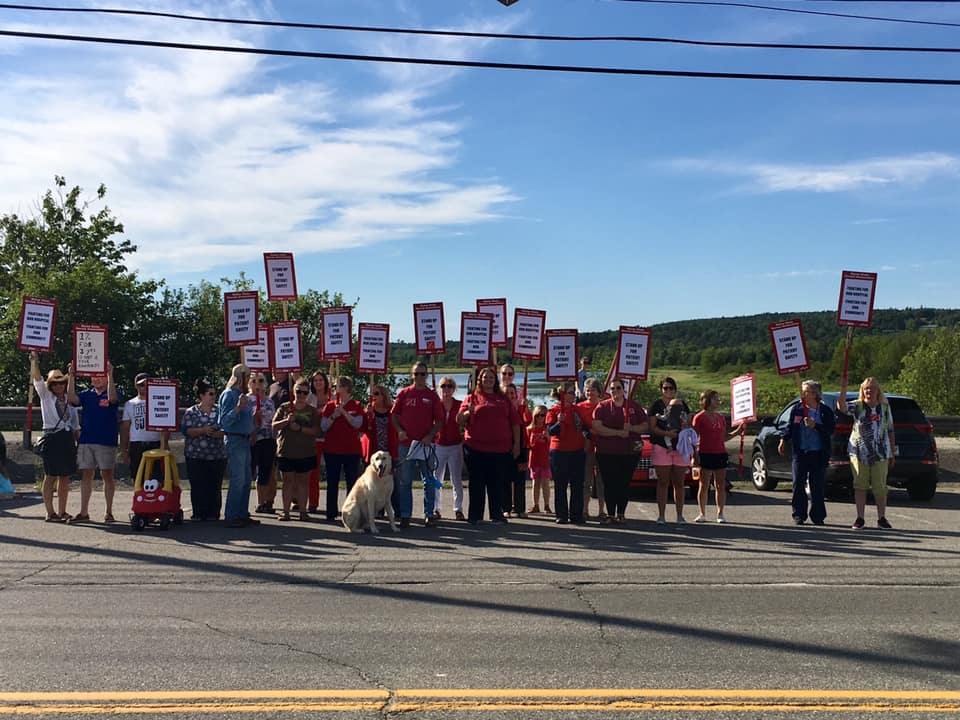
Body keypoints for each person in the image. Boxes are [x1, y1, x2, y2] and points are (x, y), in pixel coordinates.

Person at [458, 366, 522, 525]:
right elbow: (459, 420)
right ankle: (475, 515)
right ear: (479, 380)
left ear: (496, 380)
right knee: (476, 484)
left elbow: (515, 423)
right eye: (485, 377)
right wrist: (468, 412)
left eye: (491, 378)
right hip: (476, 448)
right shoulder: (472, 397)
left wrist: (517, 445)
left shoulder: (503, 399)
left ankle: (496, 514)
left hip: (500, 449)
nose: (488, 380)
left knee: (497, 484)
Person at [837, 377, 896, 530]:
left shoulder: (885, 407)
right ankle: (860, 518)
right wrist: (843, 389)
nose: (869, 391)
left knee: (880, 487)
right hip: (859, 452)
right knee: (860, 485)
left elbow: (890, 429)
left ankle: (882, 518)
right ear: (862, 391)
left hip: (880, 452)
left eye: (872, 388)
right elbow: (841, 407)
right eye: (866, 388)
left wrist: (892, 452)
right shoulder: (858, 406)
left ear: (878, 390)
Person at [392, 362, 444, 528]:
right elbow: (394, 415)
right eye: (416, 374)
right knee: (405, 481)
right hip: (407, 444)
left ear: (427, 375)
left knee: (428, 480)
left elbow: (440, 420)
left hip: (425, 445)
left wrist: (430, 435)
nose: (419, 377)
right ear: (412, 375)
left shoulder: (432, 396)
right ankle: (405, 514)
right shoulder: (404, 394)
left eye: (422, 374)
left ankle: (429, 514)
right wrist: (399, 430)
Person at [66, 361, 119, 524]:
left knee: (107, 475)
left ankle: (109, 511)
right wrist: (71, 376)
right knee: (86, 475)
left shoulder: (112, 391)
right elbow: (71, 399)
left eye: (100, 376)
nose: (96, 379)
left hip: (105, 441)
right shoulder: (87, 394)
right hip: (86, 440)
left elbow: (112, 399)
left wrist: (110, 374)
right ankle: (83, 512)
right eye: (94, 376)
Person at [778, 379, 836, 526]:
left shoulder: (824, 411)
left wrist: (815, 425)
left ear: (815, 394)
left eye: (806, 391)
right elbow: (790, 427)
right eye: (802, 391)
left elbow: (830, 430)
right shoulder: (797, 409)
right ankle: (799, 514)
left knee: (816, 485)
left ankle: (818, 516)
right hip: (800, 452)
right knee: (798, 483)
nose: (803, 394)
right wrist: (783, 439)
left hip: (818, 453)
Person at [30, 351, 79, 522]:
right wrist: (35, 361)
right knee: (50, 475)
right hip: (52, 437)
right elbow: (37, 379)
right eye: (54, 383)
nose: (58, 386)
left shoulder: (69, 399)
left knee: (65, 477)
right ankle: (50, 512)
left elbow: (75, 425)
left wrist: (77, 443)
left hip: (66, 438)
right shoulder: (46, 396)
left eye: (61, 382)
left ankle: (62, 511)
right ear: (50, 385)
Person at [591, 378, 646, 524]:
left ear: (624, 390)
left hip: (629, 453)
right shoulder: (602, 406)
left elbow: (645, 425)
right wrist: (618, 433)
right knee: (610, 483)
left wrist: (632, 429)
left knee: (624, 483)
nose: (615, 391)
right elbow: (597, 427)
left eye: (618, 388)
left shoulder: (634, 406)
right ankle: (610, 514)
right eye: (613, 388)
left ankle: (621, 513)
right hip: (606, 452)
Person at [691, 390, 745, 524]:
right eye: (715, 399)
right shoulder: (699, 417)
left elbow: (723, 437)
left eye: (718, 398)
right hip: (704, 453)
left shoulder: (721, 417)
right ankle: (702, 513)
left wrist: (737, 432)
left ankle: (720, 513)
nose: (718, 401)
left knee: (720, 485)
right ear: (707, 400)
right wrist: (694, 455)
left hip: (720, 453)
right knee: (703, 485)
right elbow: (692, 438)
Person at [273, 378, 321, 521]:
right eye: (298, 391)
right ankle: (286, 511)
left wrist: (300, 428)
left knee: (303, 482)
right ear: (293, 391)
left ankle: (302, 511)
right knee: (287, 482)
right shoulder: (284, 407)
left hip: (306, 452)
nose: (301, 395)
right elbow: (274, 426)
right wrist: (286, 421)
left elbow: (317, 431)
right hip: (286, 451)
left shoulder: (312, 411)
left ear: (308, 394)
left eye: (304, 392)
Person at [218, 363, 258, 528]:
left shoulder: (244, 395)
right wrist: (238, 408)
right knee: (238, 478)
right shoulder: (229, 395)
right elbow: (224, 421)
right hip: (234, 439)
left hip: (245, 439)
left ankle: (242, 513)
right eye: (247, 376)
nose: (248, 379)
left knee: (246, 479)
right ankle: (232, 515)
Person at [180, 378, 226, 521]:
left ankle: (213, 513)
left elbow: (227, 429)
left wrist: (218, 433)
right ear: (201, 395)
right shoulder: (191, 412)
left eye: (214, 394)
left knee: (215, 485)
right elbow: (186, 431)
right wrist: (204, 430)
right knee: (198, 484)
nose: (213, 397)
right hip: (195, 455)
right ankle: (199, 513)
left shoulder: (220, 410)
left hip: (217, 455)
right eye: (210, 394)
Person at [320, 376, 365, 522]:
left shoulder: (356, 405)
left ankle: (351, 512)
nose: (335, 388)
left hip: (351, 450)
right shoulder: (330, 406)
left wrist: (344, 413)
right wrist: (334, 415)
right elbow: (323, 426)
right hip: (332, 450)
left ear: (345, 388)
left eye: (337, 386)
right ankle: (331, 512)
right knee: (332, 482)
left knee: (352, 482)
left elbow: (358, 424)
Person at [546, 381, 590, 524]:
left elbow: (585, 427)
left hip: (577, 451)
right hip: (559, 452)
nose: (574, 395)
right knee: (561, 485)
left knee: (577, 484)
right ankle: (562, 515)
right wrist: (559, 422)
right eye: (571, 393)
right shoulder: (553, 410)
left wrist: (587, 433)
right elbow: (550, 432)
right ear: (563, 395)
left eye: (573, 392)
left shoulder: (578, 410)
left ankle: (576, 514)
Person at [648, 377, 690, 524]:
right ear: (661, 389)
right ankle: (661, 515)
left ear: (675, 389)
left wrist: (683, 430)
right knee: (663, 482)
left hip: (679, 447)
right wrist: (667, 434)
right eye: (665, 388)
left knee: (679, 483)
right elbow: (652, 427)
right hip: (661, 446)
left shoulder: (682, 404)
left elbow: (688, 423)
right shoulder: (656, 405)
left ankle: (680, 515)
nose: (668, 391)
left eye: (671, 388)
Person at [120, 372, 168, 484]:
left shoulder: (160, 402)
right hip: (136, 445)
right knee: (138, 478)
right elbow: (125, 429)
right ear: (136, 385)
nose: (145, 387)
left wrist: (164, 444)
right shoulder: (130, 404)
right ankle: (140, 500)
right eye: (142, 384)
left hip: (155, 443)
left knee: (157, 480)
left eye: (148, 384)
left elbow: (166, 424)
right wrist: (124, 450)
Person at [434, 376, 465, 520]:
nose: (446, 389)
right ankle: (435, 508)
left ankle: (458, 508)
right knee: (436, 478)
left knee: (456, 479)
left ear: (454, 389)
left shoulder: (460, 404)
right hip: (439, 445)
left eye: (450, 386)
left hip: (455, 445)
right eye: (443, 386)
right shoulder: (435, 405)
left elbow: (467, 421)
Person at [249, 373, 277, 514]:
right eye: (254, 381)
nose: (257, 384)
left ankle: (263, 502)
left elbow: (273, 419)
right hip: (253, 439)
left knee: (266, 470)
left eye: (260, 381)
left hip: (268, 438)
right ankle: (250, 501)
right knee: (251, 469)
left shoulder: (269, 401)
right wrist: (254, 417)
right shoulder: (247, 400)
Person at [504, 382, 531, 518]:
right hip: (505, 448)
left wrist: (526, 409)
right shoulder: (501, 409)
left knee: (520, 480)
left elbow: (528, 421)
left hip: (522, 448)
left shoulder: (521, 408)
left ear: (516, 395)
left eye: (512, 393)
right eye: (507, 393)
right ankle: (506, 508)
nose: (510, 396)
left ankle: (520, 508)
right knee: (506, 479)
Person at [579, 377, 605, 519]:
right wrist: (586, 432)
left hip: (602, 448)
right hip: (586, 448)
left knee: (601, 482)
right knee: (586, 482)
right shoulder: (580, 407)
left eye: (593, 390)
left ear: (598, 391)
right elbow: (578, 426)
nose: (590, 393)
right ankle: (585, 510)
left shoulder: (604, 405)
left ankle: (602, 510)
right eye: (588, 391)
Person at [306, 370, 331, 514]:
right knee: (313, 473)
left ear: (325, 381)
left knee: (332, 474)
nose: (318, 383)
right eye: (315, 380)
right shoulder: (309, 398)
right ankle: (313, 502)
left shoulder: (333, 397)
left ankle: (331, 506)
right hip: (314, 439)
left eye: (321, 380)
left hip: (331, 439)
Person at [364, 384, 398, 464]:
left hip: (389, 449)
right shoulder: (368, 411)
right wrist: (369, 416)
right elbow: (364, 429)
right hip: (373, 451)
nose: (373, 396)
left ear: (383, 395)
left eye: (376, 393)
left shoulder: (392, 410)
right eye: (371, 394)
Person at [527, 405, 551, 514]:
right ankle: (535, 505)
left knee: (545, 483)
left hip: (545, 459)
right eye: (538, 415)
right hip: (534, 459)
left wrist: (547, 437)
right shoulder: (530, 429)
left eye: (543, 415)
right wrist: (534, 439)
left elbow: (552, 444)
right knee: (535, 483)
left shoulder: (548, 429)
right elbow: (527, 445)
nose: (541, 418)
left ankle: (547, 505)